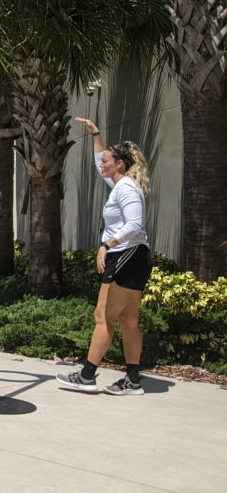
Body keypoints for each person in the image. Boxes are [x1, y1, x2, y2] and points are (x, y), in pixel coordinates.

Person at [57, 118, 151, 395]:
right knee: (128, 320)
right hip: (134, 257)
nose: (102, 165)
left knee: (103, 317)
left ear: (120, 164)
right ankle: (133, 381)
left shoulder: (126, 189)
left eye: (107, 161)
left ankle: (87, 376)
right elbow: (100, 158)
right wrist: (96, 134)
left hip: (125, 255)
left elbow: (135, 224)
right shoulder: (119, 185)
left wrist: (106, 245)